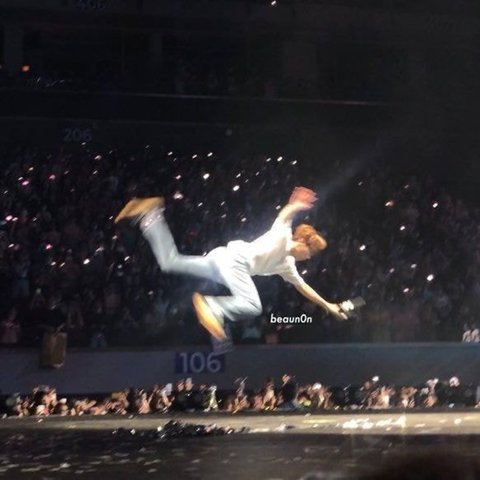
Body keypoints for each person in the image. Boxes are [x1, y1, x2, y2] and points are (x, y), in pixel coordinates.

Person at [114, 187, 359, 340]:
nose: (310, 258)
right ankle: (212, 306)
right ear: (303, 242)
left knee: (170, 262)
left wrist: (329, 306)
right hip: (235, 262)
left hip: (221, 261)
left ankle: (151, 216)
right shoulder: (283, 236)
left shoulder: (287, 265)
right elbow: (284, 215)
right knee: (252, 305)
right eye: (311, 252)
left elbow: (304, 288)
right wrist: (296, 205)